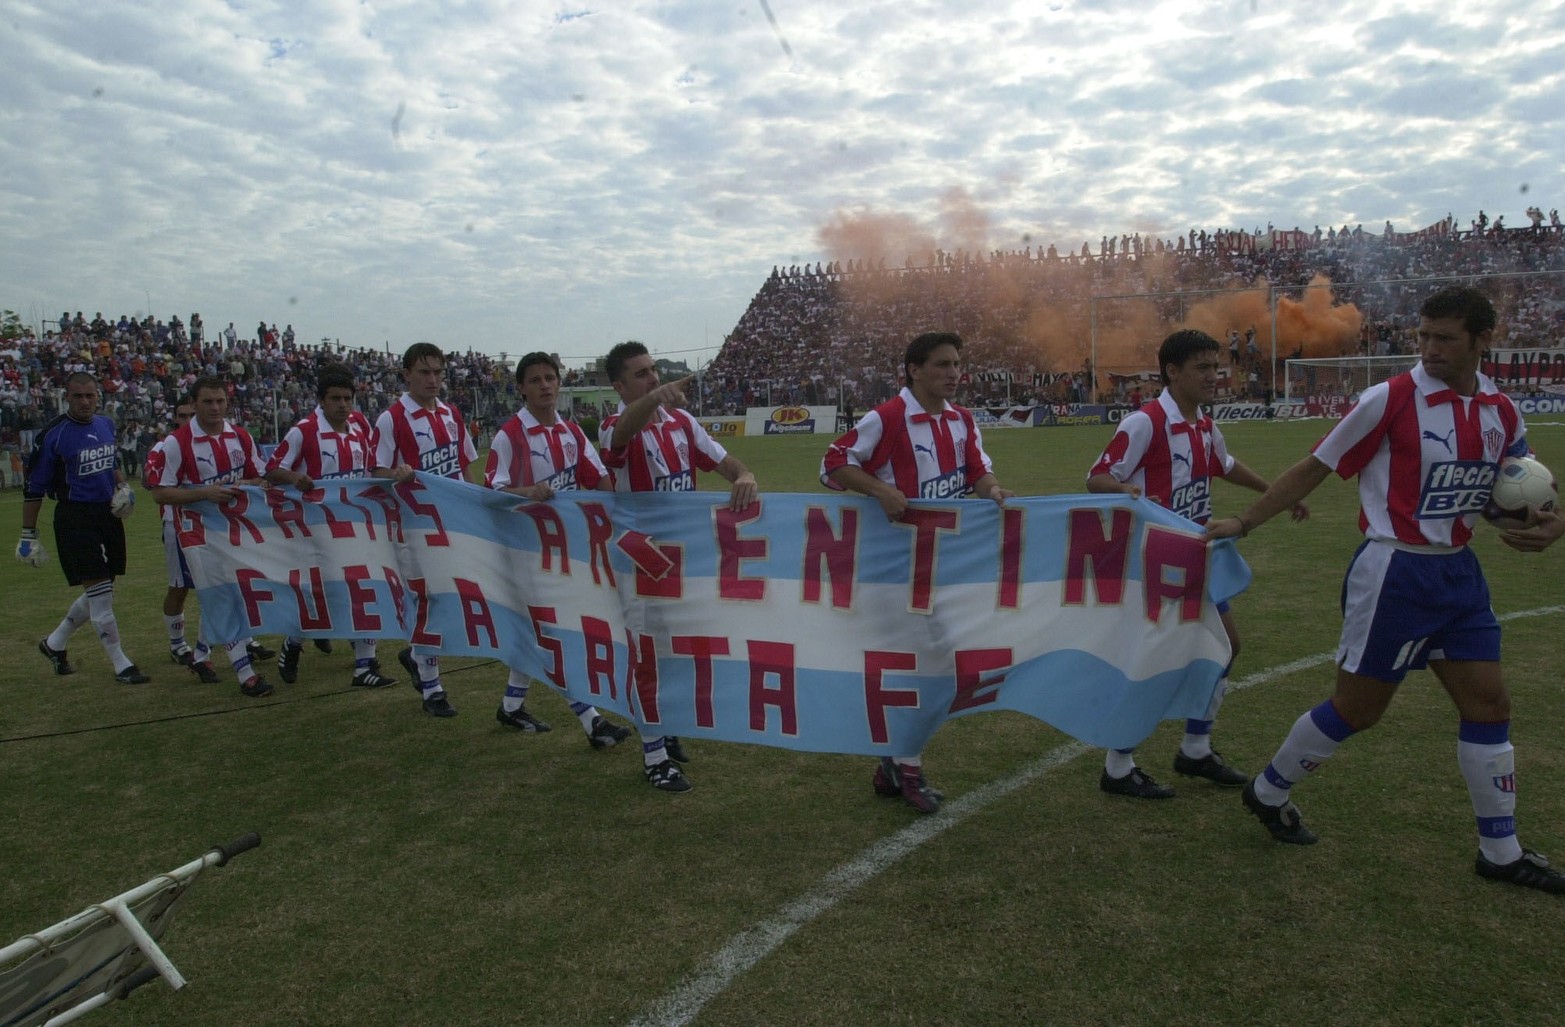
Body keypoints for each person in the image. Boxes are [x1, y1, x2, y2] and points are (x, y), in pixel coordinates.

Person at [1206, 286, 1565, 893]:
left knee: (1490, 705)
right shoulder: (1390, 399)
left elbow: (1513, 491)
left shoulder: (1503, 412)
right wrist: (1244, 521)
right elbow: (1314, 467)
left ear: (1481, 341)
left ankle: (1500, 852)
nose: (1428, 348)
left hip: (1460, 574)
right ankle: (1268, 790)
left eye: (1445, 338)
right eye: (1423, 335)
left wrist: (1550, 524)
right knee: (1358, 710)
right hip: (1394, 572)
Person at [1086, 329, 1307, 799]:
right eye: (1203, 368)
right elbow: (1098, 476)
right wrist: (1123, 490)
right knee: (1157, 659)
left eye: (1216, 367)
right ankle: (1119, 765)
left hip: (1198, 556)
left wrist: (1275, 495)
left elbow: (1224, 464)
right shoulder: (1146, 423)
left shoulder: (1203, 424)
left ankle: (1195, 748)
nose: (1214, 376)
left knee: (1226, 646)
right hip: (1155, 561)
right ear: (1173, 372)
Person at [821, 331, 1014, 813]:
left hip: (943, 567)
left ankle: (892, 764)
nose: (953, 373)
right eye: (943, 364)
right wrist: (879, 490)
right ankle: (906, 769)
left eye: (956, 364)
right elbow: (832, 464)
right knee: (926, 666)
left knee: (938, 667)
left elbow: (976, 471)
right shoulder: (886, 418)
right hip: (893, 571)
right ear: (914, 370)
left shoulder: (962, 420)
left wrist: (992, 490)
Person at [600, 340, 759, 793]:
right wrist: (652, 399)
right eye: (641, 374)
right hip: (639, 560)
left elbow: (726, 462)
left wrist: (744, 475)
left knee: (676, 652)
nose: (652, 378)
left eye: (653, 371)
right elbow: (622, 436)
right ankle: (654, 757)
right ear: (619, 386)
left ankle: (665, 729)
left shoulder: (683, 423)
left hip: (684, 559)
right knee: (647, 655)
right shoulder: (616, 426)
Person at [484, 351, 632, 749]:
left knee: (541, 632)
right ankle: (592, 722)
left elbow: (598, 480)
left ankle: (511, 705)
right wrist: (528, 493)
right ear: (521, 388)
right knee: (557, 634)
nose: (545, 385)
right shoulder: (509, 435)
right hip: (524, 552)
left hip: (566, 550)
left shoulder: (570, 432)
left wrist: (626, 513)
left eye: (550, 378)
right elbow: (490, 494)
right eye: (535, 380)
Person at [264, 363, 402, 689]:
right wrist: (296, 478)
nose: (343, 404)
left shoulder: (359, 427)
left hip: (357, 523)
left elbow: (370, 468)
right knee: (324, 593)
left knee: (368, 587)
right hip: (317, 528)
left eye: (348, 398)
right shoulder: (304, 430)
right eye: (336, 398)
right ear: (322, 400)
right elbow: (271, 469)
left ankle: (364, 666)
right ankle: (293, 642)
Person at [18, 371, 151, 684]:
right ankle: (121, 665)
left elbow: (111, 463)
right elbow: (34, 487)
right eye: (78, 396)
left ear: (98, 396)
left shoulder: (105, 424)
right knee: (101, 593)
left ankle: (54, 643)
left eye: (90, 395)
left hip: (107, 516)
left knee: (103, 588)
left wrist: (123, 489)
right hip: (74, 517)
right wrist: (27, 535)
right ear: (67, 397)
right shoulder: (53, 435)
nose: (85, 401)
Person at [147, 377, 275, 698]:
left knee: (227, 594)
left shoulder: (240, 436)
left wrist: (254, 483)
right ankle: (246, 674)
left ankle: (201, 656)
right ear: (194, 404)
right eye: (207, 402)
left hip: (233, 529)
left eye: (220, 401)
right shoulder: (178, 442)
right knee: (221, 596)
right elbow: (160, 493)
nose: (215, 408)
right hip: (195, 533)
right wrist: (204, 493)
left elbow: (261, 474)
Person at [371, 342, 478, 718]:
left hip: (451, 525)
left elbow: (464, 467)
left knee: (453, 599)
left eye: (437, 372)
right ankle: (433, 689)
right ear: (407, 375)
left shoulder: (451, 414)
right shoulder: (393, 418)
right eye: (424, 372)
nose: (432, 380)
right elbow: (375, 470)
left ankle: (415, 654)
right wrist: (395, 474)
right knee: (428, 602)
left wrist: (472, 509)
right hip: (413, 527)